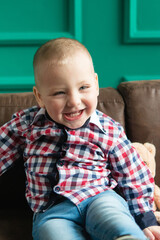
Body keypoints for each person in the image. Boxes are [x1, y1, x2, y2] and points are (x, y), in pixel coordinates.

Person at [0, 38, 160, 240]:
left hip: (99, 197)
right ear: (39, 96)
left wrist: (145, 220)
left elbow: (133, 175)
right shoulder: (27, 124)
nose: (74, 101)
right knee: (51, 233)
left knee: (114, 219)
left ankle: (129, 236)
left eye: (83, 87)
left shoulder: (109, 129)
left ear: (96, 84)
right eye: (59, 92)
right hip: (52, 210)